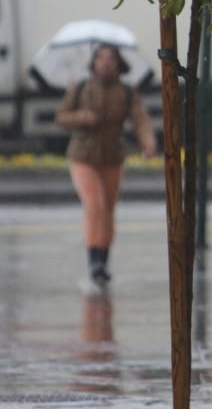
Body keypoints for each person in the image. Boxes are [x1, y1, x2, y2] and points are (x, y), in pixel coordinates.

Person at [56, 44, 157, 289]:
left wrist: (148, 142)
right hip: (83, 155)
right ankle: (93, 260)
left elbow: (140, 119)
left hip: (112, 156)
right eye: (101, 58)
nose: (106, 62)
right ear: (93, 62)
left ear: (118, 62)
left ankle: (102, 259)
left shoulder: (127, 91)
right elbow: (61, 116)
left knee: (108, 209)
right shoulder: (81, 87)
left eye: (111, 58)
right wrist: (82, 117)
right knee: (95, 204)